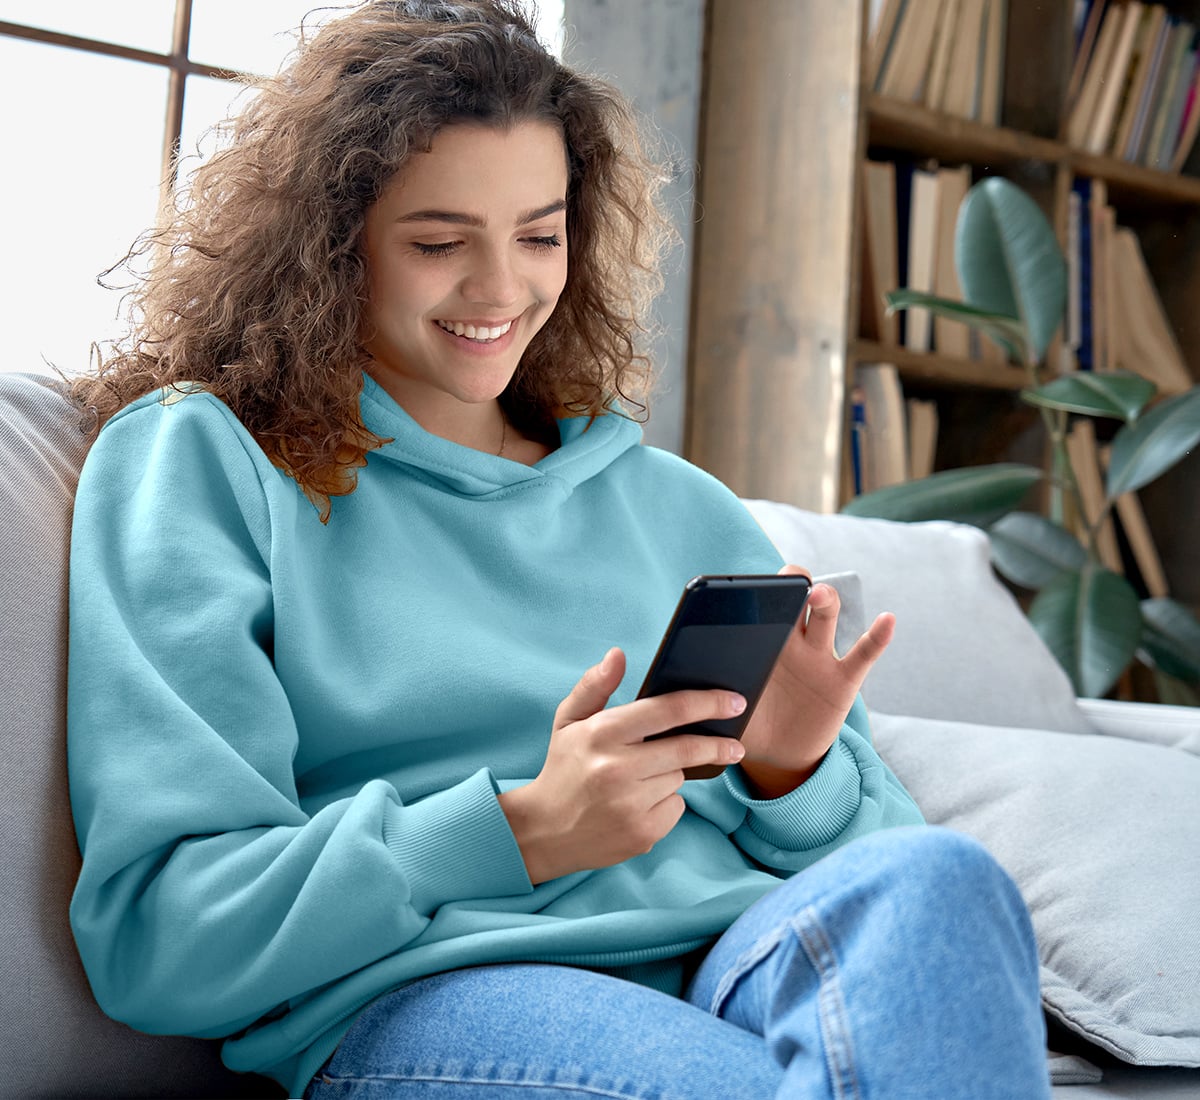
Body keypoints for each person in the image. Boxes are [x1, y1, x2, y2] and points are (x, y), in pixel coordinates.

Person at [65, 2, 1052, 1097]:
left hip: (739, 956)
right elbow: (162, 932)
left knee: (941, 882)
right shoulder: (206, 462)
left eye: (540, 235)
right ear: (331, 247)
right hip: (452, 983)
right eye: (440, 243)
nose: (501, 290)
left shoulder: (680, 505)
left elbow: (864, 871)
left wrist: (794, 771)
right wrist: (522, 827)